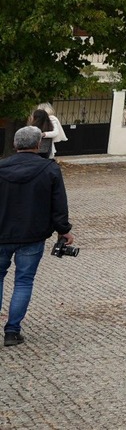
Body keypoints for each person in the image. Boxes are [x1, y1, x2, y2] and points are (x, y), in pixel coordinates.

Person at [0, 126, 72, 347]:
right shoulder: (49, 169)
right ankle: (12, 332)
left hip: (1, 234)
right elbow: (58, 203)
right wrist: (64, 229)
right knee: (24, 281)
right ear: (38, 144)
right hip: (32, 234)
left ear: (15, 144)